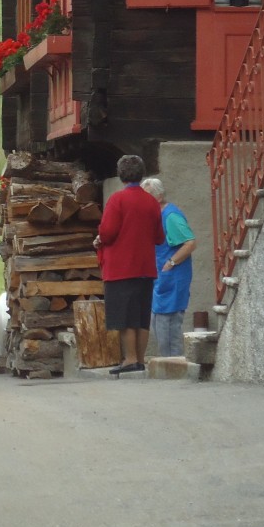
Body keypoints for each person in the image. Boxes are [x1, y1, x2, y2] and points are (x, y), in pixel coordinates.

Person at [92, 155, 164, 375]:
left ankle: (130, 359)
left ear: (121, 174)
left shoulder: (117, 199)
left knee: (125, 316)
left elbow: (107, 232)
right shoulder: (152, 202)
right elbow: (159, 237)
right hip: (145, 267)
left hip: (121, 267)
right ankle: (140, 359)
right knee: (141, 315)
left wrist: (99, 239)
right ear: (141, 174)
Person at [141, 177, 196, 357]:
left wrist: (170, 263)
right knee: (159, 325)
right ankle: (168, 364)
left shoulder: (171, 216)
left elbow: (190, 243)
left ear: (158, 197)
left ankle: (174, 365)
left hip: (173, 278)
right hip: (162, 280)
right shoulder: (156, 216)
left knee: (169, 329)